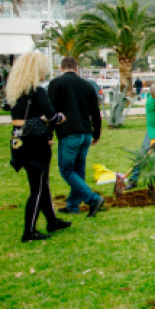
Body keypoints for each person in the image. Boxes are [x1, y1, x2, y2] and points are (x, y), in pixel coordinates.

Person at [6, 52, 72, 242]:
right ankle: (29, 231)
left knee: (41, 184)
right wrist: (60, 117)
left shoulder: (17, 92)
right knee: (37, 188)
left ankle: (51, 220)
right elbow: (51, 115)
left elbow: (21, 118)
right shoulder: (36, 91)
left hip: (19, 141)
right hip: (35, 144)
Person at [48, 58, 105, 215]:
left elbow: (51, 111)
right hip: (85, 132)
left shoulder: (56, 83)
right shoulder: (87, 85)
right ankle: (73, 205)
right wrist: (96, 133)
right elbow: (95, 111)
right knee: (78, 170)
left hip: (69, 132)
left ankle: (93, 199)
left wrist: (48, 134)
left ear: (61, 68)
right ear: (76, 68)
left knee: (67, 170)